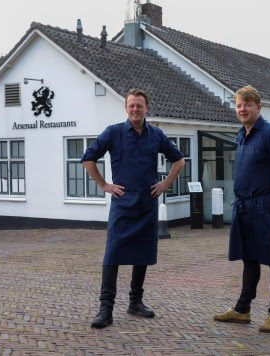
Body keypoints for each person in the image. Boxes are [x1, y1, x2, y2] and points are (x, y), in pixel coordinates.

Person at [82, 88, 185, 328]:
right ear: (126, 108)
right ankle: (105, 309)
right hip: (122, 205)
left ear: (146, 108)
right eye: (131, 106)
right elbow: (88, 158)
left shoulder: (157, 135)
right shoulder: (113, 133)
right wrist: (104, 184)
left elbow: (179, 160)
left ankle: (135, 302)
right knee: (112, 255)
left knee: (142, 254)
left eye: (139, 105)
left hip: (147, 204)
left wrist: (166, 183)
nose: (135, 109)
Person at [214, 85, 270, 332]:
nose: (242, 109)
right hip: (243, 205)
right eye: (239, 105)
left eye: (247, 105)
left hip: (264, 205)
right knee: (249, 257)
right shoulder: (240, 134)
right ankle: (242, 309)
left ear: (259, 107)